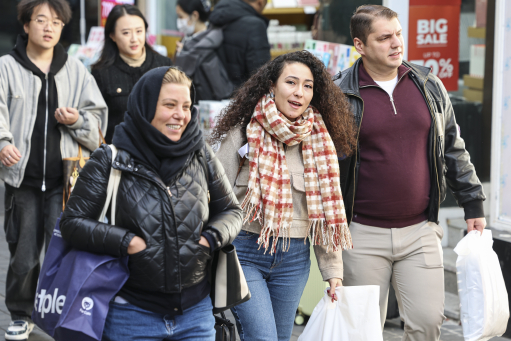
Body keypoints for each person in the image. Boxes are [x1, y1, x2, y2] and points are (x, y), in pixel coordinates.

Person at [335, 5, 486, 340]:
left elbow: (452, 147)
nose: (396, 43)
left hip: (420, 230)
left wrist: (473, 203)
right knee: (362, 331)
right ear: (360, 45)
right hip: (362, 233)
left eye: (398, 33)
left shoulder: (428, 84)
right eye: (384, 37)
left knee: (428, 322)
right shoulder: (339, 93)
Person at [60, 67, 243, 341]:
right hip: (131, 314)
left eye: (185, 106)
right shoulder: (109, 159)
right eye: (169, 105)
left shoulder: (200, 154)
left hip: (195, 314)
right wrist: (126, 242)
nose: (180, 115)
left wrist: (211, 237)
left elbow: (231, 211)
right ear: (145, 107)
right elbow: (72, 224)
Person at [212, 50, 357, 341]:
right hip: (245, 251)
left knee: (280, 338)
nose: (299, 92)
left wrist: (333, 271)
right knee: (262, 338)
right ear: (271, 86)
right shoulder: (244, 131)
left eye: (308, 86)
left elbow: (326, 213)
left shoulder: (319, 141)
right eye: (291, 82)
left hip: (294, 259)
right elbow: (214, 195)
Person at [0, 0, 107, 339]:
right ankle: (20, 312)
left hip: (66, 181)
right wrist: (2, 142)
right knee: (23, 255)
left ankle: (60, 311)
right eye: (41, 20)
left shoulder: (75, 69)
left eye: (57, 22)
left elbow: (98, 120)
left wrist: (78, 121)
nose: (49, 27)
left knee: (64, 252)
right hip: (24, 180)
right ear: (26, 24)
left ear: (63, 28)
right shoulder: (6, 66)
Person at [92, 4, 172, 144]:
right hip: (119, 156)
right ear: (112, 35)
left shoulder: (164, 66)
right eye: (126, 33)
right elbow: (97, 122)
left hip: (159, 153)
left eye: (139, 31)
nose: (134, 39)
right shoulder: (101, 73)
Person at [174, 0, 233, 101]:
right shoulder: (188, 40)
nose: (179, 22)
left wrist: (183, 54)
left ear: (195, 16)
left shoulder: (210, 44)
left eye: (181, 17)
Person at [208, 0, 270, 88]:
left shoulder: (217, 17)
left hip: (215, 91)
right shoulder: (255, 25)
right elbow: (260, 75)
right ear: (260, 2)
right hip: (242, 95)